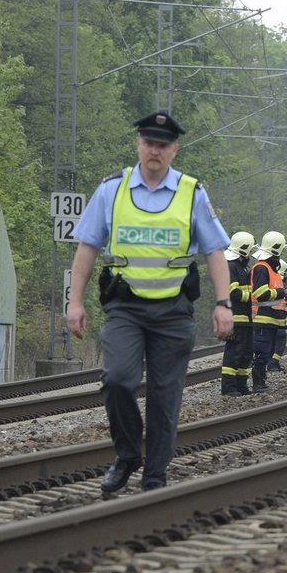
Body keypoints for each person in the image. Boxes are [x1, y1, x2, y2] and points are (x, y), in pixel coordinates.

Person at [66, 111, 232, 496]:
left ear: (174, 150)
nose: (154, 150)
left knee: (165, 395)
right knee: (118, 380)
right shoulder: (111, 190)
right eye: (148, 142)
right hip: (124, 308)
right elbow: (87, 247)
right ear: (138, 145)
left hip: (174, 311)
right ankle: (127, 455)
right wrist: (75, 301)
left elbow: (215, 252)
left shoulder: (193, 193)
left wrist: (223, 303)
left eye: (162, 144)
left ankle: (155, 473)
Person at [249, 230, 287, 392]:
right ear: (276, 249)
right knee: (261, 353)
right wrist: (282, 293)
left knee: (266, 354)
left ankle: (261, 382)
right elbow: (260, 294)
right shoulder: (262, 268)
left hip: (272, 321)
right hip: (263, 320)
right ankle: (258, 384)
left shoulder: (271, 269)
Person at [221, 231, 257, 396]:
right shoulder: (231, 266)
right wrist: (253, 297)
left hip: (246, 320)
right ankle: (228, 388)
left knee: (246, 353)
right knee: (234, 353)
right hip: (235, 319)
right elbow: (232, 292)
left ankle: (241, 385)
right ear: (243, 249)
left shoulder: (243, 267)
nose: (250, 254)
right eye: (249, 250)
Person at [267, 257, 287, 372]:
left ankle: (272, 363)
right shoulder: (279, 281)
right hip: (278, 318)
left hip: (271, 318)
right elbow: (285, 299)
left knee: (270, 342)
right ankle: (273, 363)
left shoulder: (271, 279)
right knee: (280, 342)